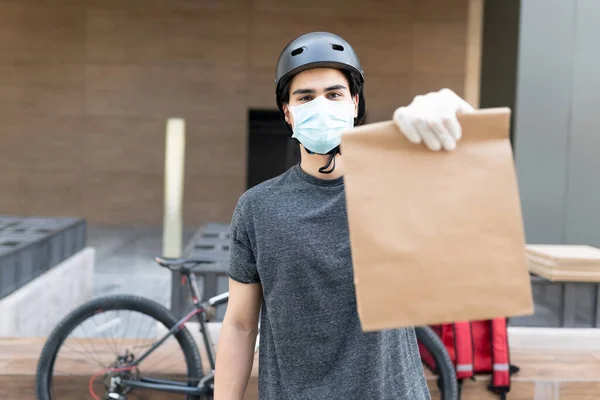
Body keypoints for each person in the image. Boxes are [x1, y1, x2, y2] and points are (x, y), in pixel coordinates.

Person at [214, 32, 474, 400]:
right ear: (287, 112)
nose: (321, 105)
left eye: (334, 94)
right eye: (305, 97)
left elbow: (473, 209)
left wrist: (458, 117)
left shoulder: (398, 187)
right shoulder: (257, 208)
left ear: (354, 103)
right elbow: (240, 325)